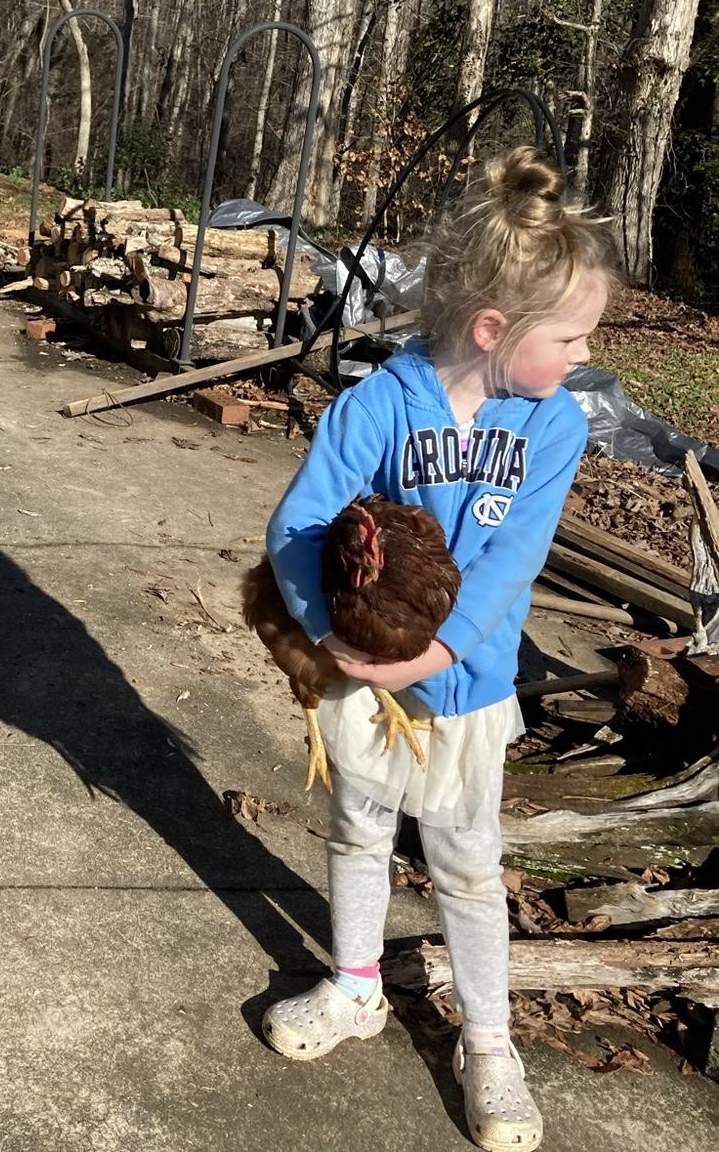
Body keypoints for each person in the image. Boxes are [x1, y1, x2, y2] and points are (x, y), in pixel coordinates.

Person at [257, 147, 615, 1152]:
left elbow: (515, 558)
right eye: (571, 337)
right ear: (494, 328)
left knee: (464, 859)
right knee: (359, 828)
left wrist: (443, 651)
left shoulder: (552, 425)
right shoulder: (378, 404)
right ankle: (356, 986)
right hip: (366, 676)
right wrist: (328, 637)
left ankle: (489, 1039)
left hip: (469, 680)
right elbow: (297, 526)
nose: (584, 354)